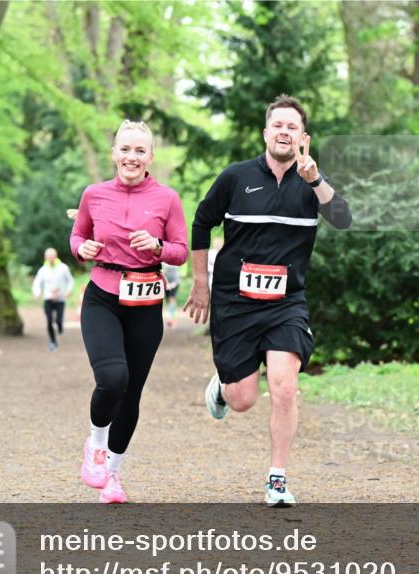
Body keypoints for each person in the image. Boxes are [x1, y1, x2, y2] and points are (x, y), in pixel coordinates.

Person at [183, 95, 352, 506]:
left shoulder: (313, 182)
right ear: (265, 133)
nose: (283, 132)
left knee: (284, 387)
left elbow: (344, 219)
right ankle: (224, 389)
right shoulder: (236, 177)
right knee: (243, 401)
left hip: (285, 303)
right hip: (235, 301)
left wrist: (315, 180)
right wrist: (200, 284)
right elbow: (202, 223)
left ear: (303, 137)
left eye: (292, 127)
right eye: (277, 125)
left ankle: (277, 479)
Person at [71, 120, 189, 504]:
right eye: (125, 149)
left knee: (132, 392)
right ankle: (97, 446)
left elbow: (180, 250)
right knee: (112, 377)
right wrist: (81, 249)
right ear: (114, 154)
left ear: (150, 157)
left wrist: (157, 247)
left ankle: (113, 477)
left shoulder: (167, 198)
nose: (131, 157)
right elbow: (78, 235)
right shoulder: (94, 194)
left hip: (145, 302)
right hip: (102, 295)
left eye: (140, 151)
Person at [32, 247, 75, 351]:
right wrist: (37, 293)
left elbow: (70, 280)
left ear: (56, 256)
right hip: (48, 299)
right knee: (49, 320)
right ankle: (53, 341)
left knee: (59, 320)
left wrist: (69, 291)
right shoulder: (42, 270)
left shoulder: (63, 268)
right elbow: (37, 283)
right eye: (48, 257)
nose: (50, 259)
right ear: (45, 257)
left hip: (60, 299)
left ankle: (60, 326)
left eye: (52, 257)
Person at [163, 263, 180, 327]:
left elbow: (176, 277)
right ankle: (171, 318)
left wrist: (172, 285)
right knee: (168, 301)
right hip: (167, 284)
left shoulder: (173, 264)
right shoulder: (162, 262)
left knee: (171, 299)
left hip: (174, 284)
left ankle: (172, 319)